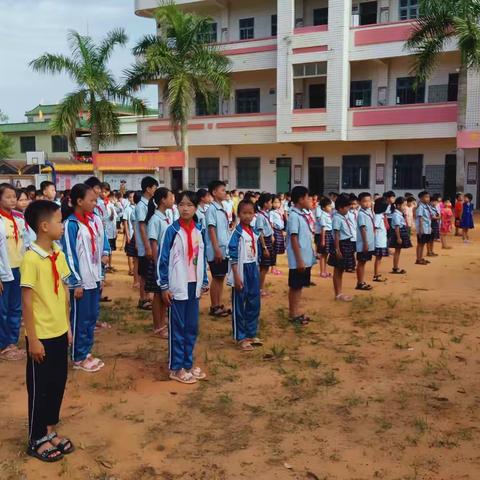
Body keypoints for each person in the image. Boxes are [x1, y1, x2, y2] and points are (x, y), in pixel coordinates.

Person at [21, 200, 74, 462]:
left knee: (56, 384)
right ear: (44, 226)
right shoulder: (31, 258)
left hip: (58, 331)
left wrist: (67, 327)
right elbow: (27, 301)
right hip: (40, 336)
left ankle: (50, 430)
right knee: (39, 387)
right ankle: (35, 438)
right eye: (59, 221)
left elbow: (64, 291)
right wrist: (32, 339)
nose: (62, 225)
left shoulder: (58, 254)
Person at [159, 191, 209, 384]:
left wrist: (203, 280)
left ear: (196, 208)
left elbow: (202, 257)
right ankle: (176, 367)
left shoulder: (198, 230)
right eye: (181, 204)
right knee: (178, 327)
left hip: (193, 286)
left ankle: (187, 363)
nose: (185, 208)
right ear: (176, 207)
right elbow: (162, 260)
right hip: (177, 287)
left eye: (189, 205)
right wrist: (164, 286)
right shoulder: (171, 231)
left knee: (191, 327)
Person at [62, 184, 107, 372]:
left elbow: (102, 242)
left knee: (91, 316)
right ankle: (78, 356)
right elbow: (69, 255)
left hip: (94, 276)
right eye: (92, 200)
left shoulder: (95, 219)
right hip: (81, 280)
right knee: (80, 317)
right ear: (79, 202)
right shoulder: (71, 225)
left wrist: (102, 270)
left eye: (96, 200)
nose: (95, 203)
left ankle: (86, 351)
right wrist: (76, 282)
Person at [228, 200, 262, 352]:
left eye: (251, 213)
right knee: (240, 303)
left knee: (254, 301)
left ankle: (250, 333)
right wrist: (236, 275)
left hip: (253, 268)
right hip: (241, 269)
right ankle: (240, 337)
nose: (248, 216)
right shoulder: (237, 233)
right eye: (244, 213)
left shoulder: (254, 231)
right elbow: (232, 255)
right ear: (239, 214)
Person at [0, 184, 26, 360]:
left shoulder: (19, 217)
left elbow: (28, 240)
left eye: (14, 197)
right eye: (8, 197)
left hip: (19, 268)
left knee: (16, 307)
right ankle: (3, 345)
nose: (12, 200)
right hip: (3, 270)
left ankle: (12, 342)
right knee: (2, 309)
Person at [146, 187, 175, 339]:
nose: (173, 199)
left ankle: (162, 323)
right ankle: (158, 326)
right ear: (163, 200)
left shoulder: (165, 216)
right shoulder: (155, 220)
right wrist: (158, 264)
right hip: (160, 262)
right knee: (158, 295)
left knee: (164, 295)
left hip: (166, 261)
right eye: (171, 197)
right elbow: (154, 243)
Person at [286, 186, 316, 325]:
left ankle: (296, 312)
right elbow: (293, 238)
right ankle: (293, 314)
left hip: (304, 257)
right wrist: (299, 260)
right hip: (299, 259)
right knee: (295, 286)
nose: (309, 200)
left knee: (299, 286)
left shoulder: (302, 214)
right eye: (307, 197)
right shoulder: (293, 216)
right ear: (300, 199)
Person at [205, 181, 231, 318]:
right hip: (217, 249)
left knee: (221, 277)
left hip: (223, 248)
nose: (224, 192)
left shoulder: (222, 208)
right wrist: (216, 249)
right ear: (214, 192)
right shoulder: (212, 209)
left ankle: (218, 304)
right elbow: (211, 229)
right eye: (222, 190)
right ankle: (214, 306)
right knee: (216, 277)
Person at [134, 176, 159, 311]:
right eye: (154, 187)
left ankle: (146, 297)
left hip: (149, 244)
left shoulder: (150, 204)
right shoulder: (141, 206)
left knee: (147, 272)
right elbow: (143, 227)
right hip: (145, 246)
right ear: (148, 189)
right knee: (144, 273)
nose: (155, 190)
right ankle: (143, 299)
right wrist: (147, 246)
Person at [327, 194, 354, 302]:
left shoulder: (344, 216)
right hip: (340, 244)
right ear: (340, 208)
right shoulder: (337, 218)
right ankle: (338, 294)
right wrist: (337, 249)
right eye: (346, 207)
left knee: (341, 269)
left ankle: (340, 292)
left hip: (346, 243)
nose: (348, 209)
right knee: (338, 270)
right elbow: (337, 234)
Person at [255, 193, 275, 296]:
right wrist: (264, 247)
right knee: (263, 267)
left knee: (265, 267)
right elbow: (260, 232)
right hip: (264, 242)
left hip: (268, 241)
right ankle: (259, 289)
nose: (271, 204)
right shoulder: (260, 216)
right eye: (270, 202)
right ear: (265, 203)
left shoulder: (266, 214)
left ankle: (260, 288)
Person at [355, 192, 375, 291]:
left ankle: (362, 281)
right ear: (359, 202)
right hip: (363, 243)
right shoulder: (361, 214)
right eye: (364, 201)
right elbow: (363, 229)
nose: (367, 203)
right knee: (361, 262)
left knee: (363, 262)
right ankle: (360, 282)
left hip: (368, 242)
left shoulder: (369, 211)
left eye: (369, 201)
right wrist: (365, 243)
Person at [389, 197, 412, 274]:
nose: (405, 207)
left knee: (398, 251)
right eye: (403, 205)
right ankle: (395, 268)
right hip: (398, 234)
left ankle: (396, 267)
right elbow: (397, 227)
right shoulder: (396, 214)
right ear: (398, 206)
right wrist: (398, 237)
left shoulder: (399, 213)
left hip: (401, 232)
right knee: (397, 251)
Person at [100, 183, 117, 272]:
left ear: (108, 192)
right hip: (103, 230)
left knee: (110, 249)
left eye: (105, 192)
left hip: (111, 230)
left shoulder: (110, 203)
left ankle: (109, 265)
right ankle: (105, 267)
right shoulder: (99, 203)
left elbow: (115, 215)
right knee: (104, 250)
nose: (103, 193)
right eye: (102, 192)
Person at [315, 197, 334, 279]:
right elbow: (323, 228)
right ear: (323, 208)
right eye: (329, 206)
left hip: (329, 234)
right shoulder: (323, 216)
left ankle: (325, 271)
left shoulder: (328, 215)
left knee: (326, 254)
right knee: (323, 255)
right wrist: (322, 240)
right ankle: (322, 272)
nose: (331, 208)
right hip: (325, 235)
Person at [123, 191, 139, 282]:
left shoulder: (138, 208)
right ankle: (130, 269)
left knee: (136, 256)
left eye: (133, 197)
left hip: (137, 235)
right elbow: (125, 222)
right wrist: (128, 235)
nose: (132, 199)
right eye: (130, 197)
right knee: (130, 254)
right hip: (131, 234)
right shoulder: (127, 209)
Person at [373, 197, 389, 282]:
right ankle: (376, 275)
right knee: (378, 258)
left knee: (379, 258)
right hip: (379, 240)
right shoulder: (378, 216)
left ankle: (377, 273)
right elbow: (374, 228)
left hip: (381, 239)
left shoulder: (381, 215)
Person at [270, 195, 285, 276]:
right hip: (274, 231)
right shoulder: (272, 212)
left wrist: (282, 231)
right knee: (274, 250)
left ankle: (274, 267)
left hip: (279, 231)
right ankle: (273, 268)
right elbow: (271, 223)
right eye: (275, 202)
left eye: (278, 202)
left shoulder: (280, 211)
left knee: (277, 249)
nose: (277, 204)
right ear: (271, 203)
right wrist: (272, 234)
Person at [415, 190, 432, 265]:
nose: (428, 198)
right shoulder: (421, 207)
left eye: (428, 197)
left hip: (427, 228)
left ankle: (421, 258)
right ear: (421, 198)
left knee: (423, 244)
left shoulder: (427, 206)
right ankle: (418, 259)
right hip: (422, 228)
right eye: (426, 197)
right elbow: (420, 218)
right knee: (420, 244)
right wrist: (421, 229)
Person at [346, 195, 359, 273]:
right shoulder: (347, 213)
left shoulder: (357, 213)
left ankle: (353, 265)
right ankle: (349, 266)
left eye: (354, 204)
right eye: (351, 204)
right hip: (350, 235)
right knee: (350, 252)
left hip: (356, 235)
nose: (352, 206)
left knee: (354, 251)